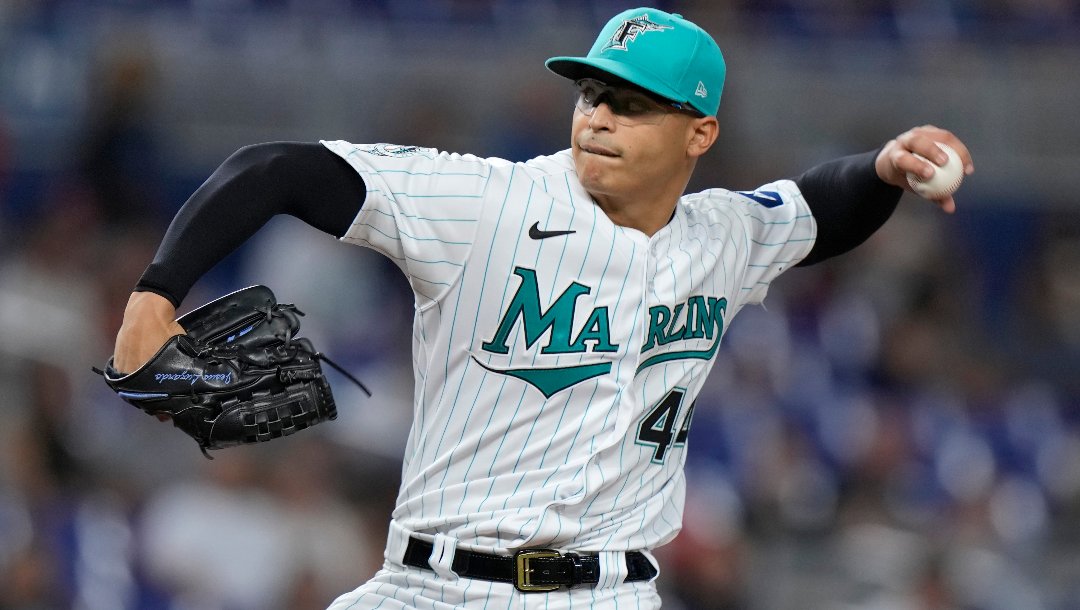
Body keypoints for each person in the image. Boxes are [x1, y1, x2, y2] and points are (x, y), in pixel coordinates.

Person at [111, 7, 974, 609]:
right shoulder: (485, 202)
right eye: (591, 94)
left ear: (699, 133)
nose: (598, 116)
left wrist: (885, 167)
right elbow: (276, 168)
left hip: (613, 595)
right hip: (429, 589)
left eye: (631, 104)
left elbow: (820, 209)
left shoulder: (722, 237)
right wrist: (157, 292)